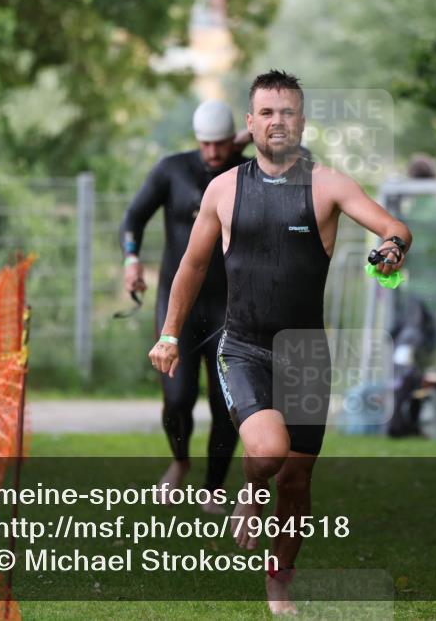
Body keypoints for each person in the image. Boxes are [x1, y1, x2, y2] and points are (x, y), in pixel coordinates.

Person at [148, 70, 412, 614]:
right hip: (242, 346)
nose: (277, 122)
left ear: (301, 121)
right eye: (266, 113)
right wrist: (170, 334)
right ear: (250, 123)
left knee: (295, 481)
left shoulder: (329, 185)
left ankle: (279, 582)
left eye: (287, 112)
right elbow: (192, 264)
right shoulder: (223, 190)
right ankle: (248, 492)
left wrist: (391, 249)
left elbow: (394, 227)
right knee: (266, 452)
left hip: (306, 355)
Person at [120, 100, 251, 512]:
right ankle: (179, 463)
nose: (213, 152)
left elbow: (296, 155)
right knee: (177, 399)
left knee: (224, 405)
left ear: (234, 139)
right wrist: (131, 258)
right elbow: (133, 218)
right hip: (179, 307)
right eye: (206, 144)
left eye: (221, 143)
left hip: (229, 308)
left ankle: (213, 487)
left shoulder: (248, 172)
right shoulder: (172, 170)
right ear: (197, 140)